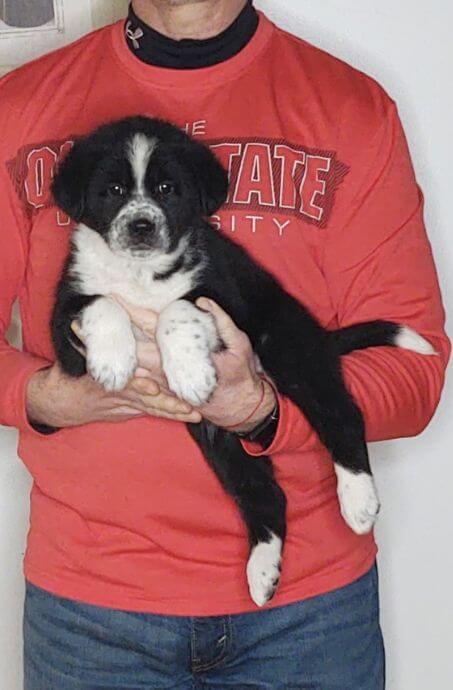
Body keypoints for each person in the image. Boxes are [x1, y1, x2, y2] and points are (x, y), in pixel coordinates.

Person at [0, 1, 448, 688]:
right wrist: (45, 396)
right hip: (90, 610)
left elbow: (413, 381)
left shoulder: (350, 109)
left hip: (308, 613)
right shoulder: (21, 106)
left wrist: (264, 410)